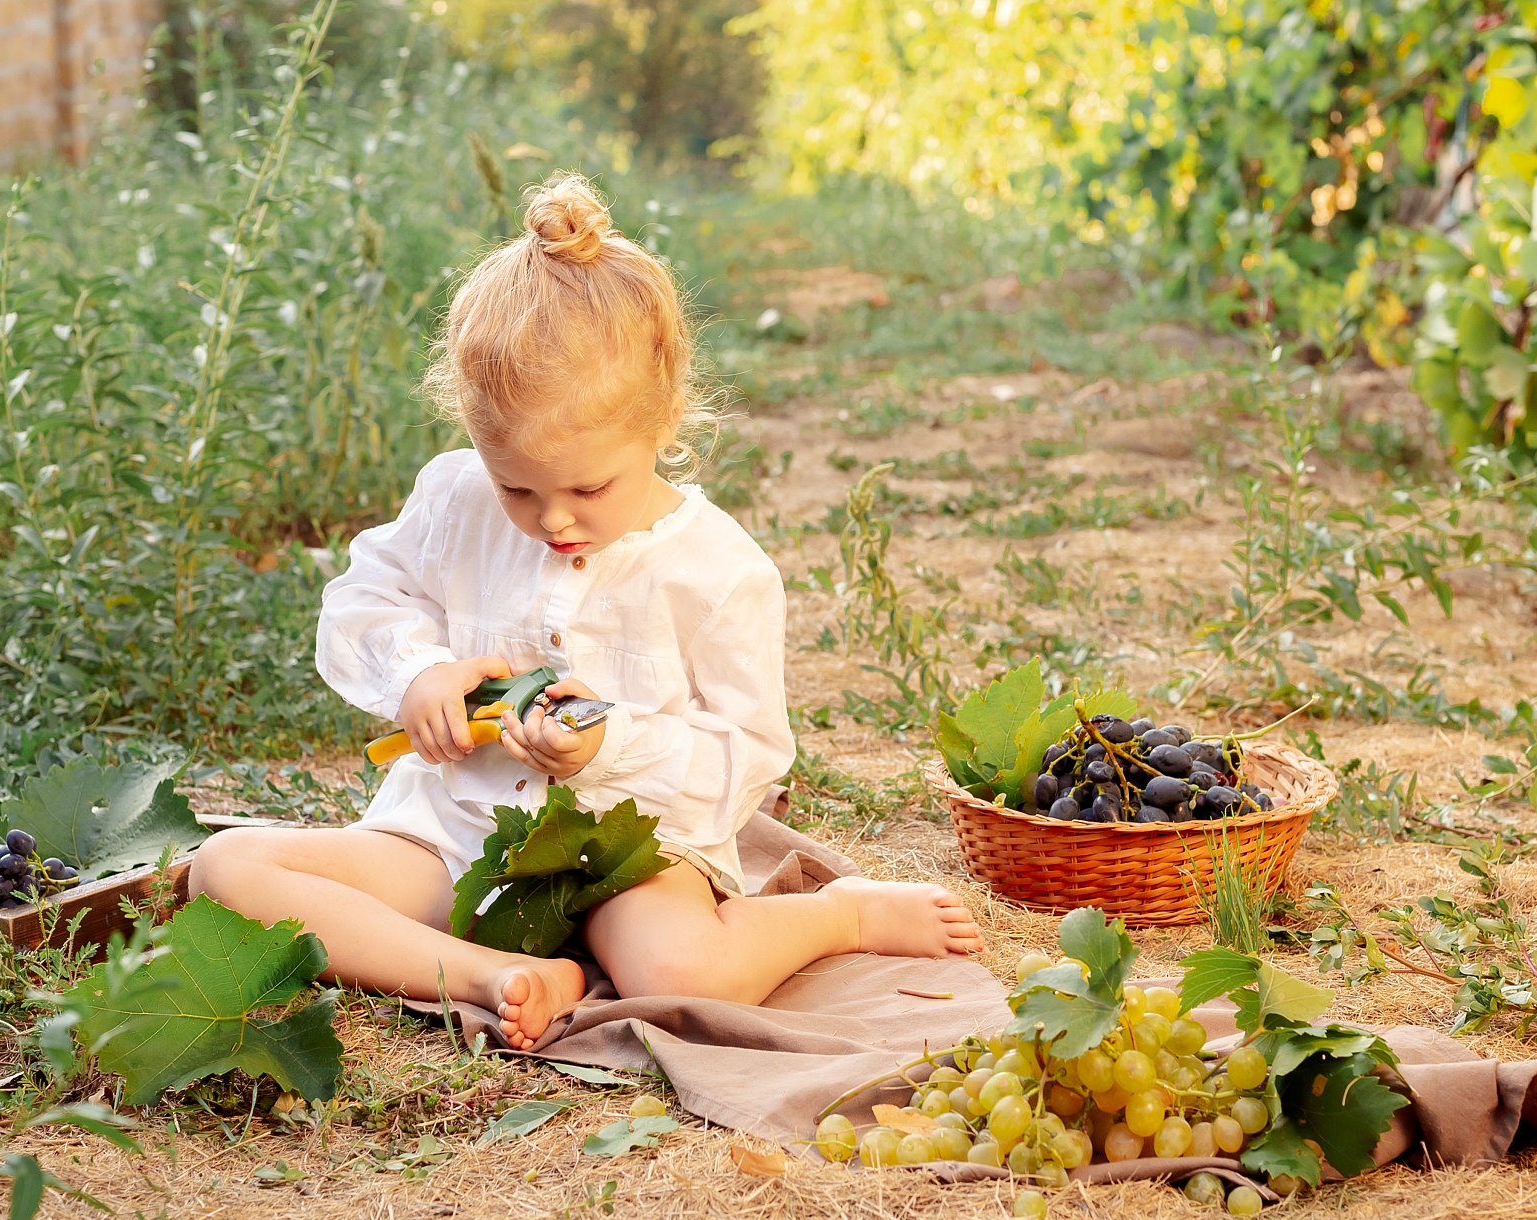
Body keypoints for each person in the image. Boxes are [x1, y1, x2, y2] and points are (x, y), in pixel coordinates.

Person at [189, 173, 982, 1050]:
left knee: (680, 972)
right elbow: (365, 599)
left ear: (665, 415)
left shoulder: (717, 570)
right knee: (228, 868)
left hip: (624, 851)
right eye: (517, 487)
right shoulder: (454, 498)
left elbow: (748, 753)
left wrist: (610, 749)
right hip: (457, 838)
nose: (554, 517)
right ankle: (499, 975)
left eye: (589, 485)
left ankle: (839, 916)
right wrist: (419, 670)